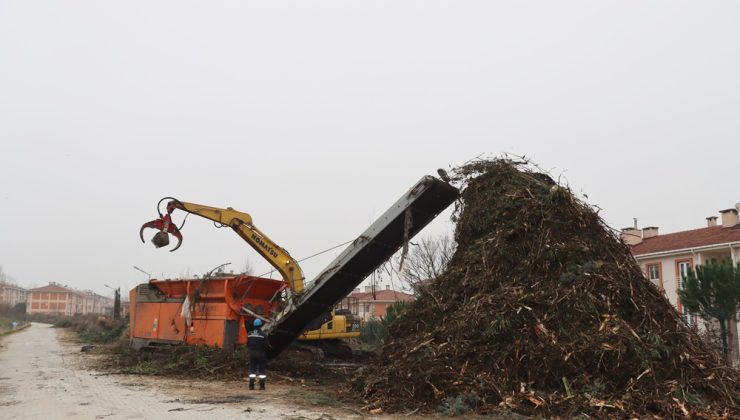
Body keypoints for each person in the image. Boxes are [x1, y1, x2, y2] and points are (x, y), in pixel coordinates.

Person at [246, 318, 268, 390]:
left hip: (252, 354)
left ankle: (251, 386)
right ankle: (262, 386)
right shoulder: (263, 335)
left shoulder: (249, 334)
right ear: (260, 325)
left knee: (252, 370)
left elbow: (248, 344)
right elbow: (266, 345)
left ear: (254, 325)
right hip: (261, 354)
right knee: (262, 371)